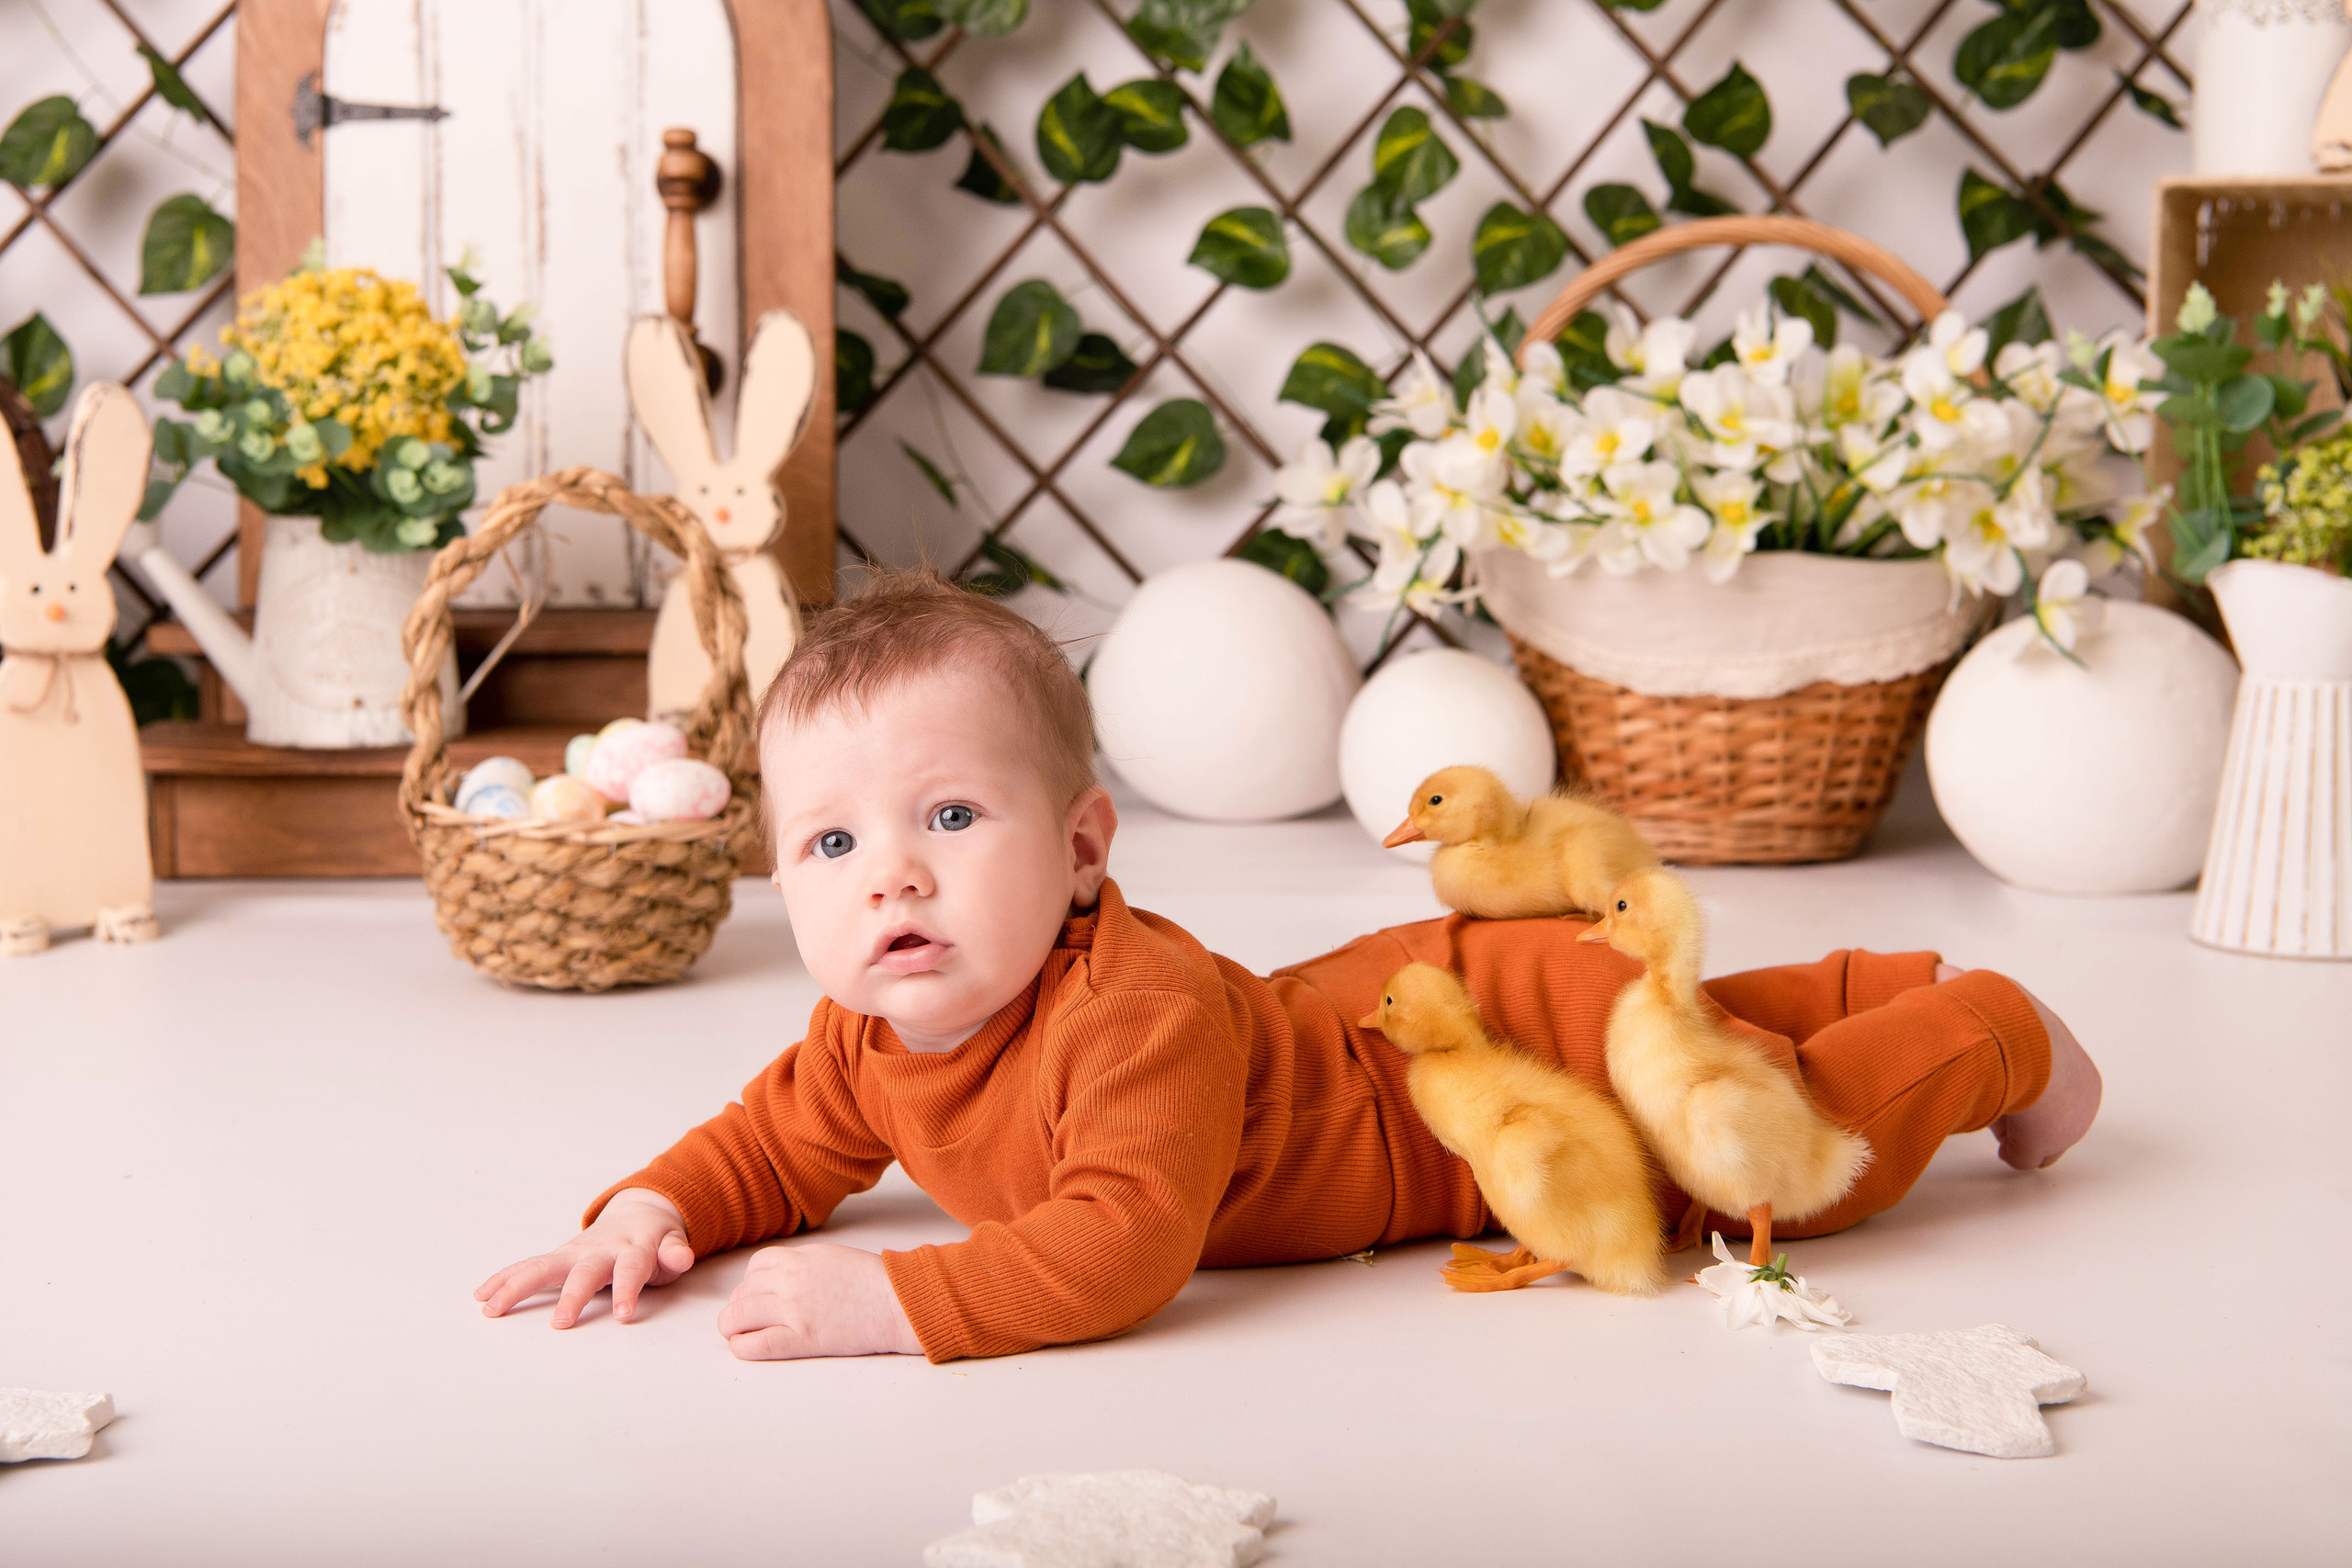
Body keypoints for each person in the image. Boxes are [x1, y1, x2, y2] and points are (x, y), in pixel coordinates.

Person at [474, 570, 2101, 1363]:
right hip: (1428, 1003)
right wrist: (653, 1212)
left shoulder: (1137, 1016)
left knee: (1766, 1163)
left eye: (951, 815)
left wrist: (895, 1302)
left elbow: (1118, 1246)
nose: (887, 872)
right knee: (1695, 1008)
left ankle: (1988, 1030)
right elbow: (773, 1142)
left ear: (1085, 850)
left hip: (1497, 1071)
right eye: (830, 846)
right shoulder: (869, 1027)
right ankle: (1858, 976)